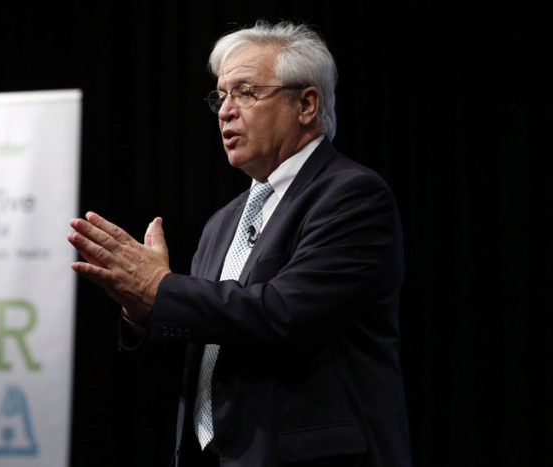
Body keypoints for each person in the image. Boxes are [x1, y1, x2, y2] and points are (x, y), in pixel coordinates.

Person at [68, 21, 411, 467]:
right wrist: (144, 311)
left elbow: (284, 314)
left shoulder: (350, 195)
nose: (225, 111)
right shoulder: (221, 224)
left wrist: (161, 288)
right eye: (221, 96)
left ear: (307, 104)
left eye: (246, 92)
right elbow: (197, 350)